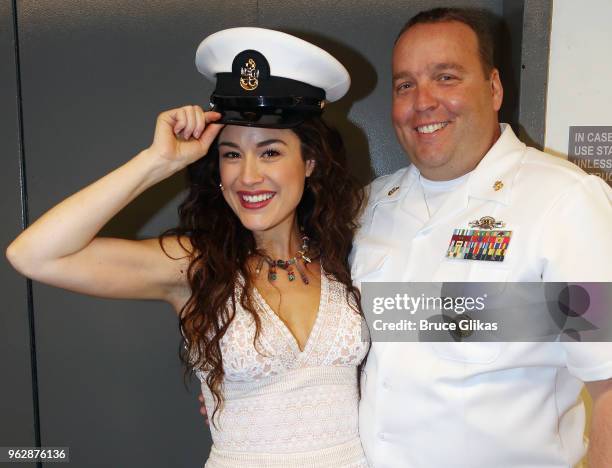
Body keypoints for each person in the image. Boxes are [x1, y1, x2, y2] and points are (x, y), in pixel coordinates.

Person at [6, 28, 370, 467]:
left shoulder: (346, 250)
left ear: (309, 162)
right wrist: (156, 161)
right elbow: (33, 255)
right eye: (231, 154)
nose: (247, 176)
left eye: (270, 152)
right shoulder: (194, 264)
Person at [351, 7, 612, 468]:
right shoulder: (369, 207)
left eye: (446, 77)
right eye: (405, 84)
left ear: (493, 88)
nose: (423, 101)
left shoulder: (564, 203)